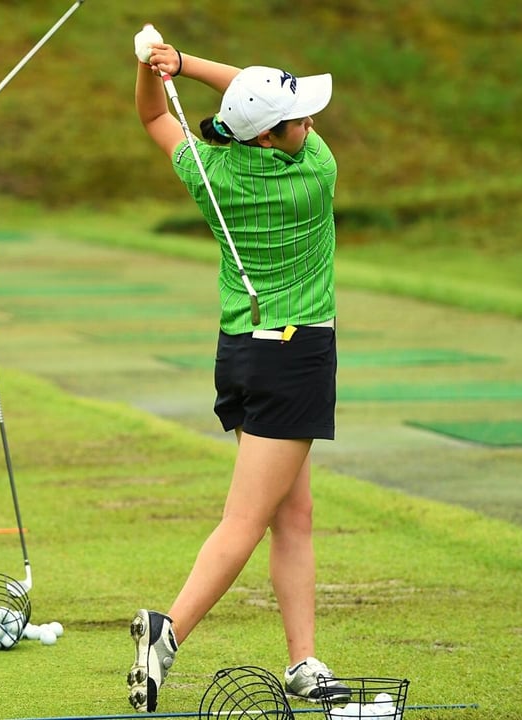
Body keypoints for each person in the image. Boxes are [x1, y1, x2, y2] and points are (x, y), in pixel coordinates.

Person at [125, 36, 347, 712]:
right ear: (272, 136)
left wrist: (151, 69)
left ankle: (303, 660)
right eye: (297, 118)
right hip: (297, 356)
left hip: (243, 354)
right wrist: (183, 63)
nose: (309, 124)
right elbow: (235, 101)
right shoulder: (314, 170)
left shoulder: (211, 172)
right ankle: (169, 631)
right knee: (246, 520)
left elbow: (154, 119)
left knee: (295, 515)